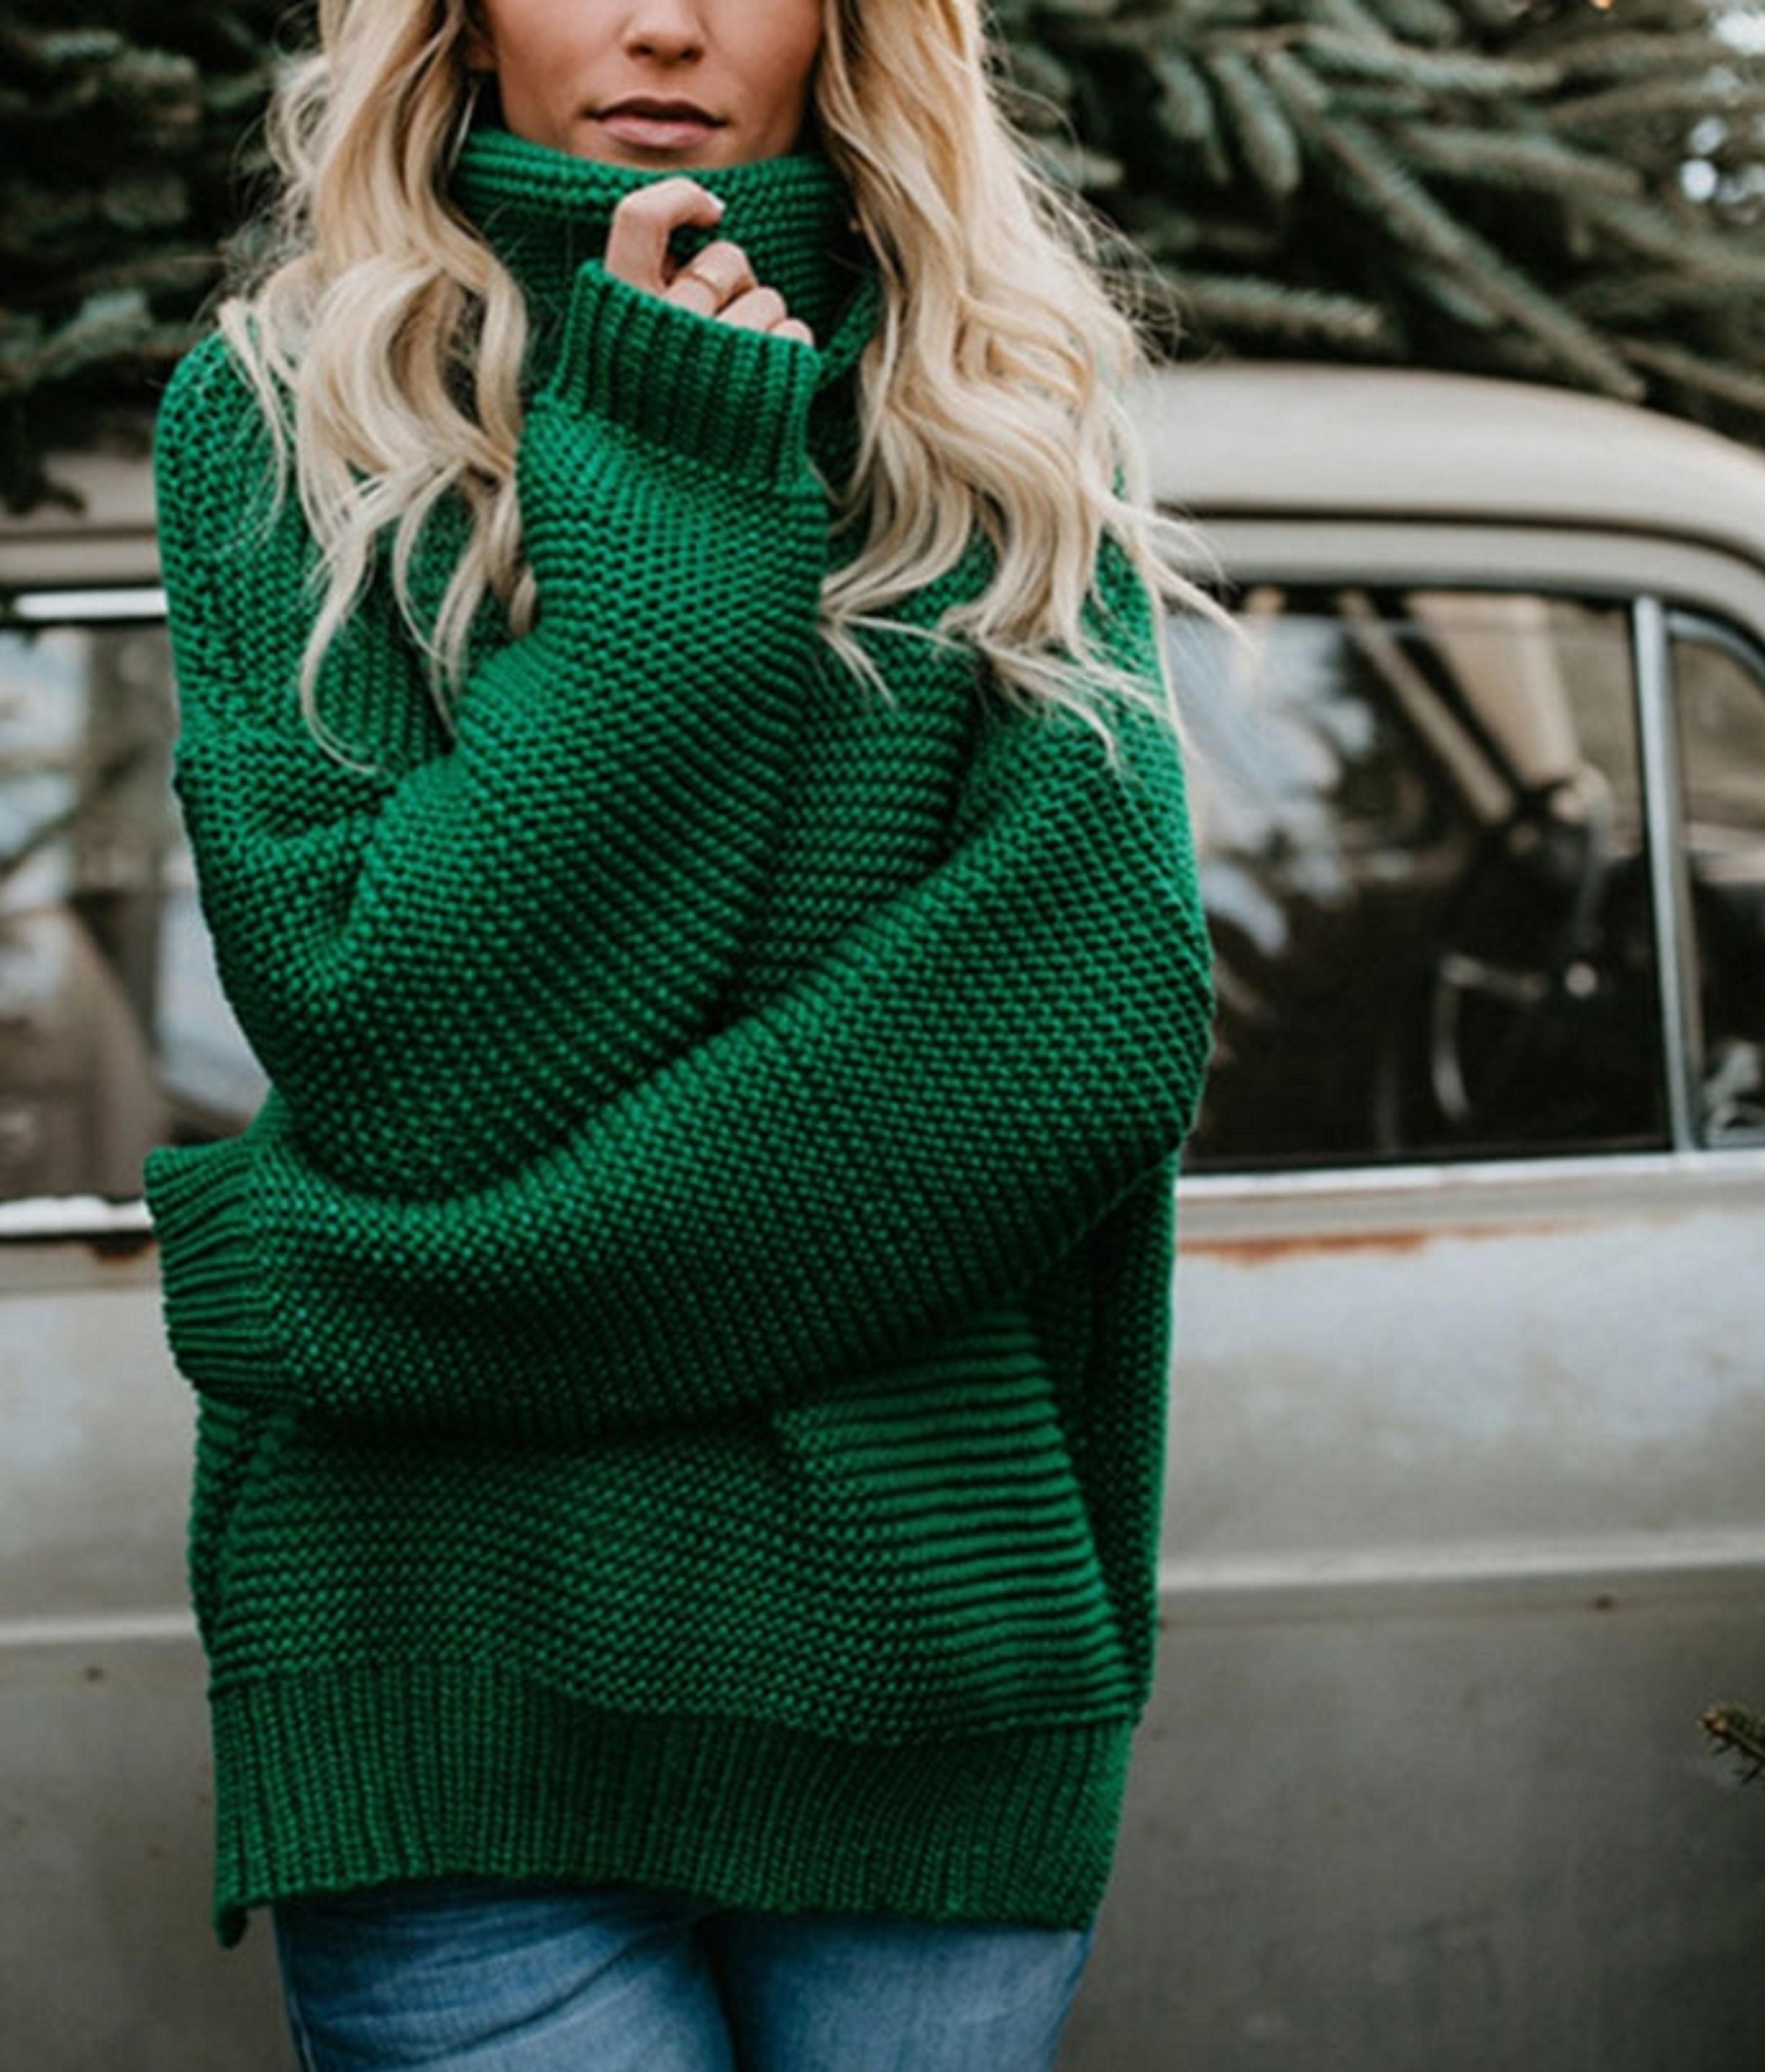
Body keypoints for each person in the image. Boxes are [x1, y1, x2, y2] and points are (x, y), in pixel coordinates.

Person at [145, 1, 1214, 2065]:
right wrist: (676, 495)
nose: (659, 21)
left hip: (922, 1656)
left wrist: (386, 1301)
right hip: (446, 1665)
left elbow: (1075, 1045)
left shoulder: (993, 412)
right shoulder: (291, 416)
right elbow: (407, 1061)